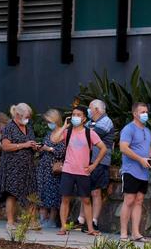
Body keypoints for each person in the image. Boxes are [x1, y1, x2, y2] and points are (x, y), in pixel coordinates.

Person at [54, 105, 106, 236]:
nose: (75, 117)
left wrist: (94, 165)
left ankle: (90, 228)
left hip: (83, 172)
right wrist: (64, 127)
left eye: (78, 115)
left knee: (86, 200)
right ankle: (63, 227)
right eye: (73, 114)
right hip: (68, 170)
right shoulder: (68, 132)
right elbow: (54, 140)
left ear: (84, 118)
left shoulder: (90, 133)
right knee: (65, 199)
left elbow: (103, 148)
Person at [0, 103, 40, 230]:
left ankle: (31, 221)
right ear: (18, 115)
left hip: (28, 167)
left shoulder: (28, 127)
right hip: (12, 167)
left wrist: (34, 146)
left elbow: (29, 142)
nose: (28, 119)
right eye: (26, 116)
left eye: (29, 117)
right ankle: (10, 222)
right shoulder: (9, 127)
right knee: (12, 194)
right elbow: (5, 146)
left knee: (31, 193)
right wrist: (23, 145)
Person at [77, 99, 115, 232]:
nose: (88, 111)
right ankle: (81, 220)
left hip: (100, 162)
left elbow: (89, 135)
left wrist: (85, 129)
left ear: (97, 110)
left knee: (96, 191)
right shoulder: (91, 122)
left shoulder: (106, 121)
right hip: (87, 161)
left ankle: (93, 222)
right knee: (85, 191)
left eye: (89, 108)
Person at [119, 102, 151, 242]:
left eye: (146, 111)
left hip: (143, 172)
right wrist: (140, 159)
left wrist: (150, 159)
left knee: (139, 201)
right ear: (135, 114)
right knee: (129, 200)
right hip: (130, 171)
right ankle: (123, 233)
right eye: (142, 112)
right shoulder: (128, 129)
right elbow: (123, 148)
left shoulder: (147, 131)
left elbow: (148, 148)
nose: (145, 114)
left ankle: (136, 233)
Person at [36, 109, 66, 229]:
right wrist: (40, 149)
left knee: (53, 195)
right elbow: (45, 147)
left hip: (54, 169)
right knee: (42, 193)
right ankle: (42, 219)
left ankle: (52, 220)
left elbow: (61, 152)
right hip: (43, 167)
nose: (48, 123)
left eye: (50, 121)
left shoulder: (63, 133)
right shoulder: (50, 133)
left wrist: (49, 149)